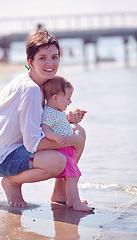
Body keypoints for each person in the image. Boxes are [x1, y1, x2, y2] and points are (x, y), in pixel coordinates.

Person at [0, 30, 86, 208]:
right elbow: (32, 144)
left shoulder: (41, 84)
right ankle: (12, 182)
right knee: (61, 157)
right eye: (42, 58)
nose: (50, 63)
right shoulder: (30, 90)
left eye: (54, 57)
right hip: (3, 156)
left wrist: (66, 120)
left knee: (78, 131)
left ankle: (60, 193)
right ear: (30, 62)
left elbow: (37, 120)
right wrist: (72, 140)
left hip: (17, 146)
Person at [41, 76, 93, 212]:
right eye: (68, 98)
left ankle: (70, 199)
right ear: (55, 98)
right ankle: (75, 203)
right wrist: (54, 136)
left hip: (66, 149)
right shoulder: (49, 113)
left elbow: (60, 123)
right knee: (72, 176)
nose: (70, 102)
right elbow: (44, 128)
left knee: (72, 176)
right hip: (62, 150)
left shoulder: (57, 112)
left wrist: (71, 118)